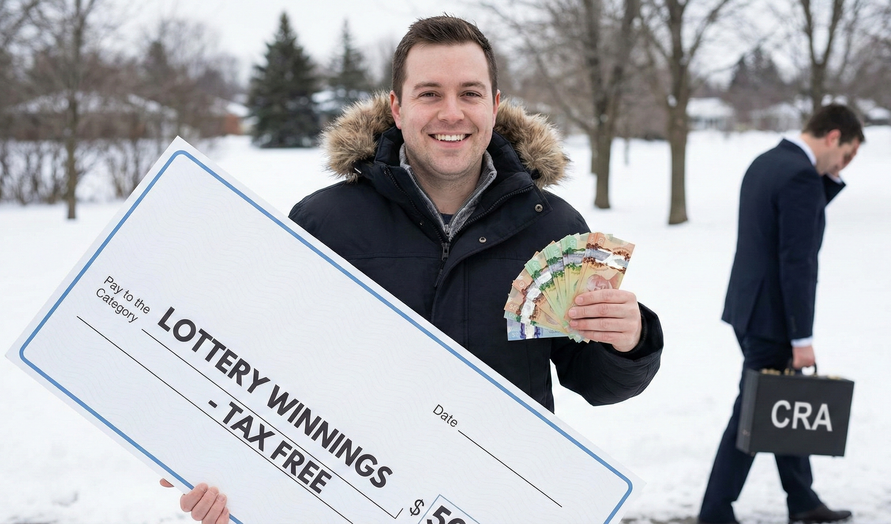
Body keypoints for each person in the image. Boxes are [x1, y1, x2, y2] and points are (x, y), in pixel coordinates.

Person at [165, 15, 663, 523]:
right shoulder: (323, 221)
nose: (452, 113)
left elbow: (598, 384)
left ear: (494, 106)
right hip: (352, 501)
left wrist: (628, 340)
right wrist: (205, 453)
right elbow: (257, 363)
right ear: (397, 108)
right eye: (430, 94)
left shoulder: (552, 225)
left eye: (470, 93)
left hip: (498, 503)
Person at [697, 104, 864, 524]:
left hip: (747, 307)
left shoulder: (766, 162)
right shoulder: (801, 177)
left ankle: (803, 500)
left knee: (781, 402)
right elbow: (798, 261)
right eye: (847, 155)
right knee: (753, 414)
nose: (844, 165)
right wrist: (801, 339)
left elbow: (783, 228)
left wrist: (828, 179)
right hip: (774, 318)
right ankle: (715, 511)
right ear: (833, 137)